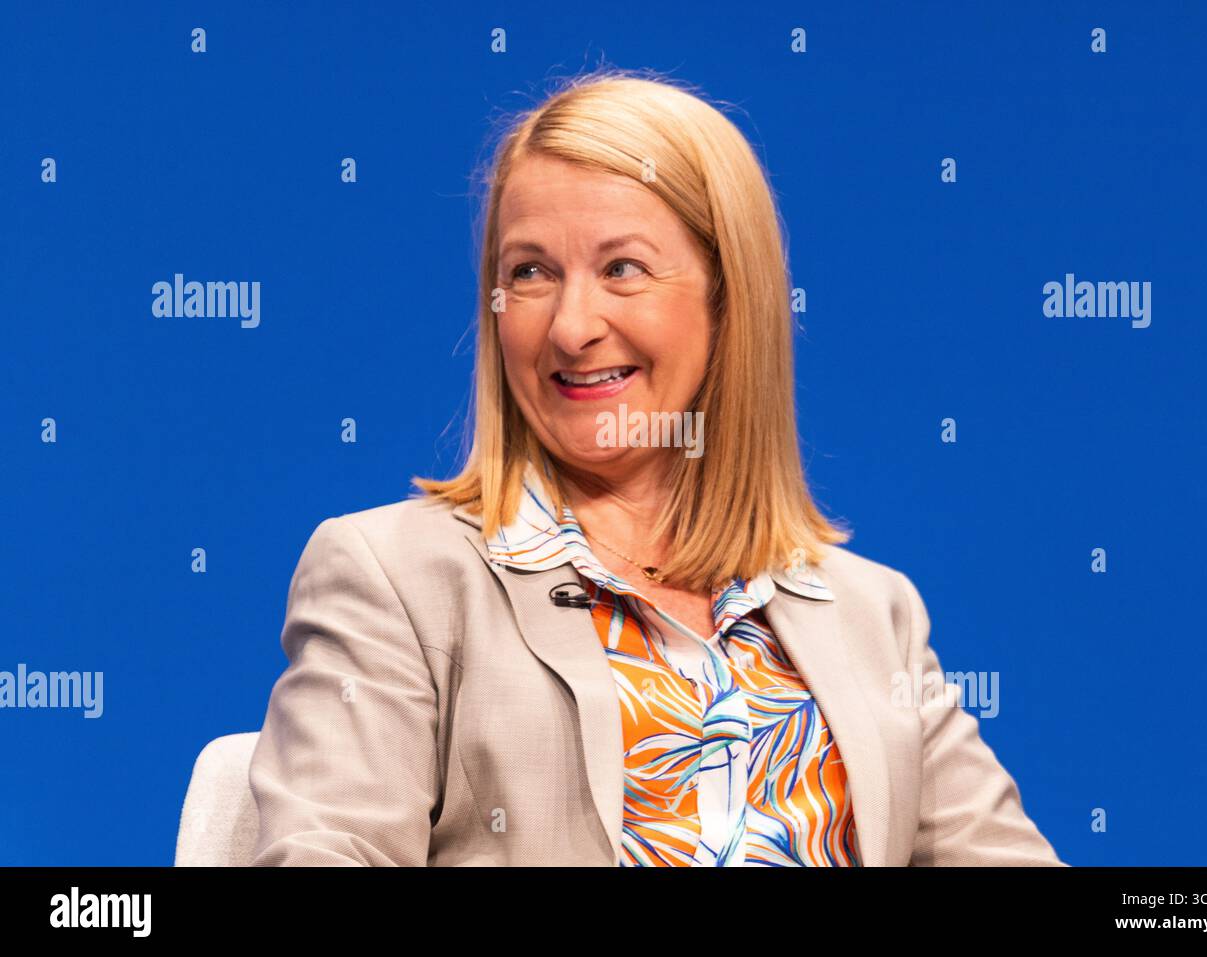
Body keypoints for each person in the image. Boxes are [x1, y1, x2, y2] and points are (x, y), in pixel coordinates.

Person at [248, 68, 1064, 867]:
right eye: (529, 272)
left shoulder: (872, 613)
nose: (571, 327)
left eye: (621, 269)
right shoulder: (397, 577)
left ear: (728, 296)